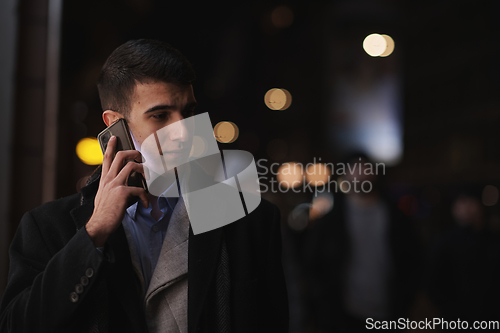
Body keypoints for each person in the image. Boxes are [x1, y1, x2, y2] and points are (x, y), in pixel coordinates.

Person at [0, 39, 289, 333]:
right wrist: (94, 233)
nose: (183, 132)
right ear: (115, 126)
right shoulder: (47, 226)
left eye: (188, 113)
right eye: (160, 115)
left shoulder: (251, 219)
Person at [302, 153, 422, 332]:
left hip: (391, 311)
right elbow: (313, 264)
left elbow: (414, 258)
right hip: (343, 315)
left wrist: (407, 297)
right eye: (354, 168)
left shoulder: (396, 217)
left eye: (365, 167)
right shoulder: (329, 222)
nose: (360, 173)